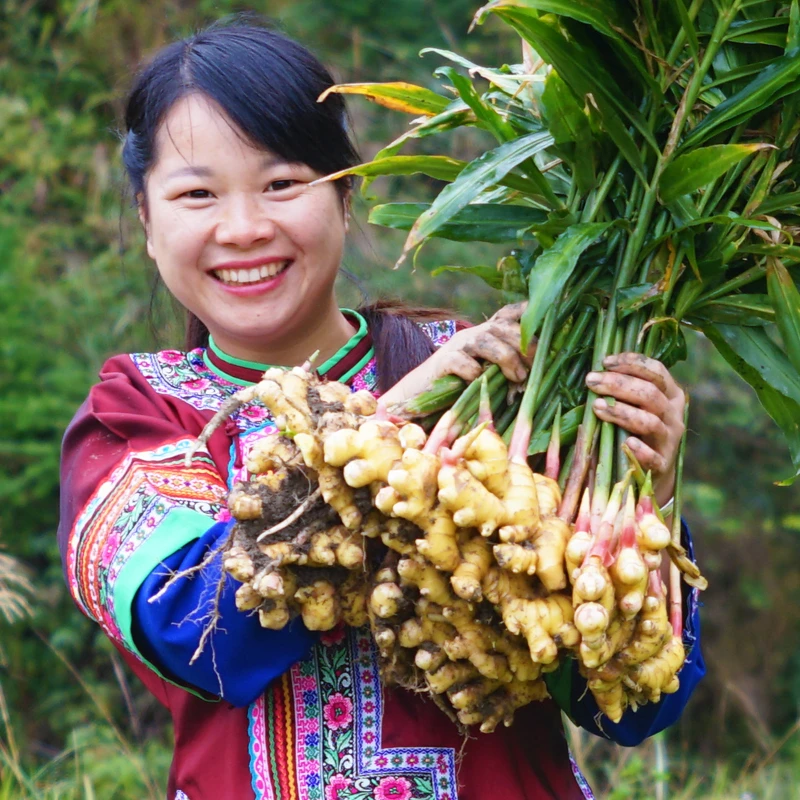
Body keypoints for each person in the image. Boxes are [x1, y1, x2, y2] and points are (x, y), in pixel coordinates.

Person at [58, 21, 704, 800]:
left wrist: (645, 497)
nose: (243, 228)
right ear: (146, 221)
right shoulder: (137, 412)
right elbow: (199, 638)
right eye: (197, 194)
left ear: (345, 189)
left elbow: (632, 702)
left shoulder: (497, 379)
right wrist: (386, 424)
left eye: (282, 183)